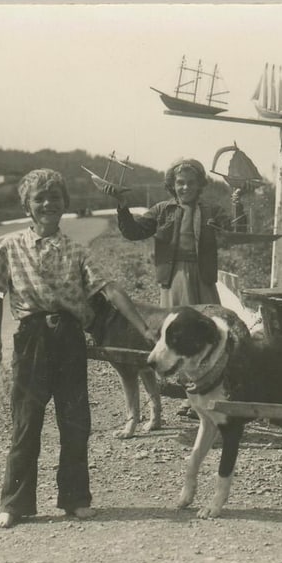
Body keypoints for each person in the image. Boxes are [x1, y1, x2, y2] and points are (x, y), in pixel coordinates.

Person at [0, 168, 155, 530]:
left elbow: (109, 289)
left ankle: (75, 498)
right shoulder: (11, 247)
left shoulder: (76, 250)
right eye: (39, 199)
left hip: (70, 339)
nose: (48, 204)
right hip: (31, 340)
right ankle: (14, 503)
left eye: (55, 198)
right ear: (27, 206)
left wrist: (144, 328)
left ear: (65, 206)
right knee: (26, 423)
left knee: (75, 423)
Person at [115, 157, 232, 415]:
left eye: (191, 183)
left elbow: (236, 232)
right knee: (177, 336)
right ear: (172, 184)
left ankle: (208, 393)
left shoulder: (212, 211)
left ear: (201, 185)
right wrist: (122, 207)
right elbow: (134, 232)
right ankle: (188, 396)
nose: (185, 188)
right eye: (180, 183)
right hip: (173, 279)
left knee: (207, 334)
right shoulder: (161, 211)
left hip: (202, 278)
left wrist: (239, 202)